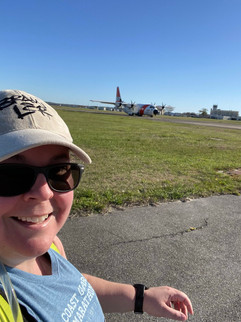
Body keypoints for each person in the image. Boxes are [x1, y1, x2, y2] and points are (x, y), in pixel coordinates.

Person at [0, 89, 193, 321]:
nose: (43, 192)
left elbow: (70, 288)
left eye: (60, 171)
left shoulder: (52, 246)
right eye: (9, 176)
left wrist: (140, 297)